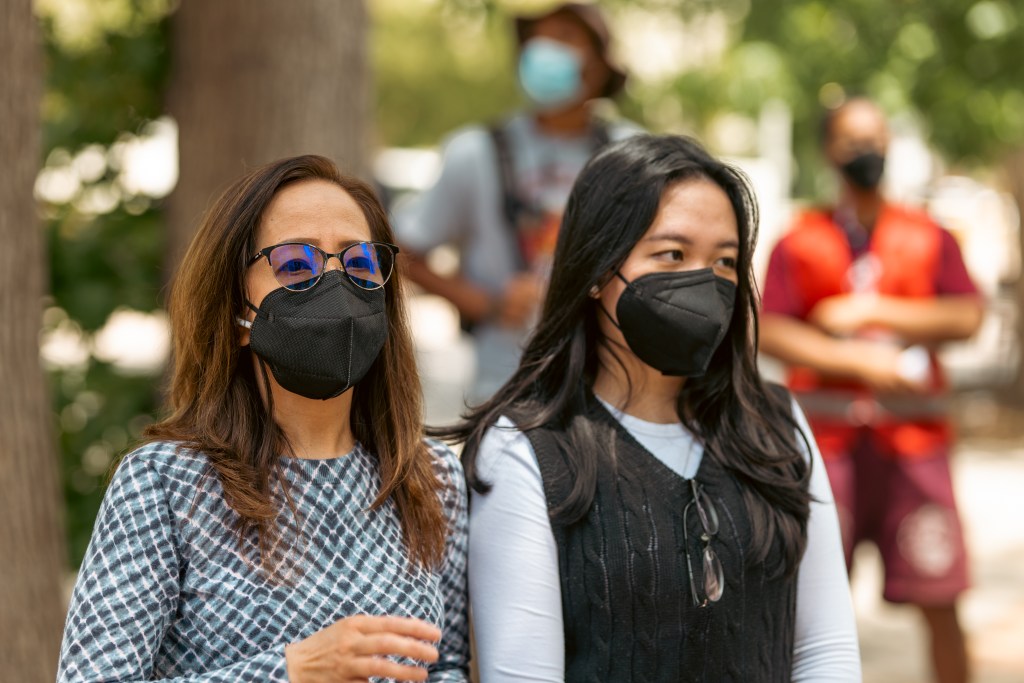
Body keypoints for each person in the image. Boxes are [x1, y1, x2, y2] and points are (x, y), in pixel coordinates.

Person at [436, 134, 861, 681]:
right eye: (673, 254)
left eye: (726, 261)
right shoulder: (524, 452)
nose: (703, 281)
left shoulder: (776, 423)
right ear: (596, 269)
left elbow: (825, 651)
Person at [57, 155, 469, 682]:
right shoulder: (165, 486)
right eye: (297, 264)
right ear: (236, 311)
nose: (336, 285)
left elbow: (447, 667)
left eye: (361, 263)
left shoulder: (432, 481)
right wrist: (290, 672)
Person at [759, 98, 983, 683]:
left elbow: (967, 316)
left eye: (878, 137)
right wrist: (849, 356)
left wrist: (874, 309)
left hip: (914, 446)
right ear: (829, 150)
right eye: (854, 139)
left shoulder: (928, 234)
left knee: (941, 596)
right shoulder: (801, 238)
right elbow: (770, 327)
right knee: (807, 607)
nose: (868, 150)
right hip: (827, 450)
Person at [393, 1, 638, 403]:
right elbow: (400, 250)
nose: (543, 49)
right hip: (502, 391)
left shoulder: (632, 156)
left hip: (609, 388)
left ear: (599, 65)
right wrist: (483, 303)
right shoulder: (475, 152)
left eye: (564, 37)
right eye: (535, 38)